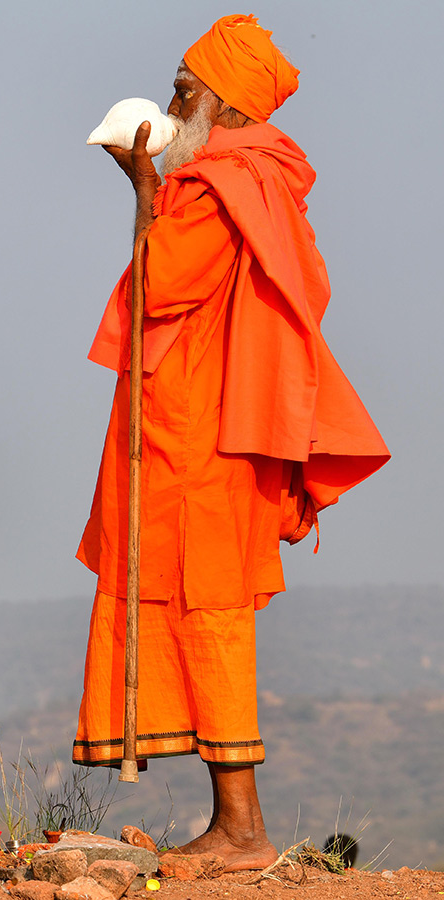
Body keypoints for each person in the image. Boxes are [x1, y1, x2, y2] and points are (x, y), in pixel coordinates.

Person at [72, 16, 388, 872]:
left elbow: (156, 287)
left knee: (211, 618)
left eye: (185, 88)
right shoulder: (246, 179)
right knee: (200, 615)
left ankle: (243, 833)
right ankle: (231, 824)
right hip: (200, 438)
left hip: (206, 448)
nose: (173, 102)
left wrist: (139, 185)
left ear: (228, 105)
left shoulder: (225, 185)